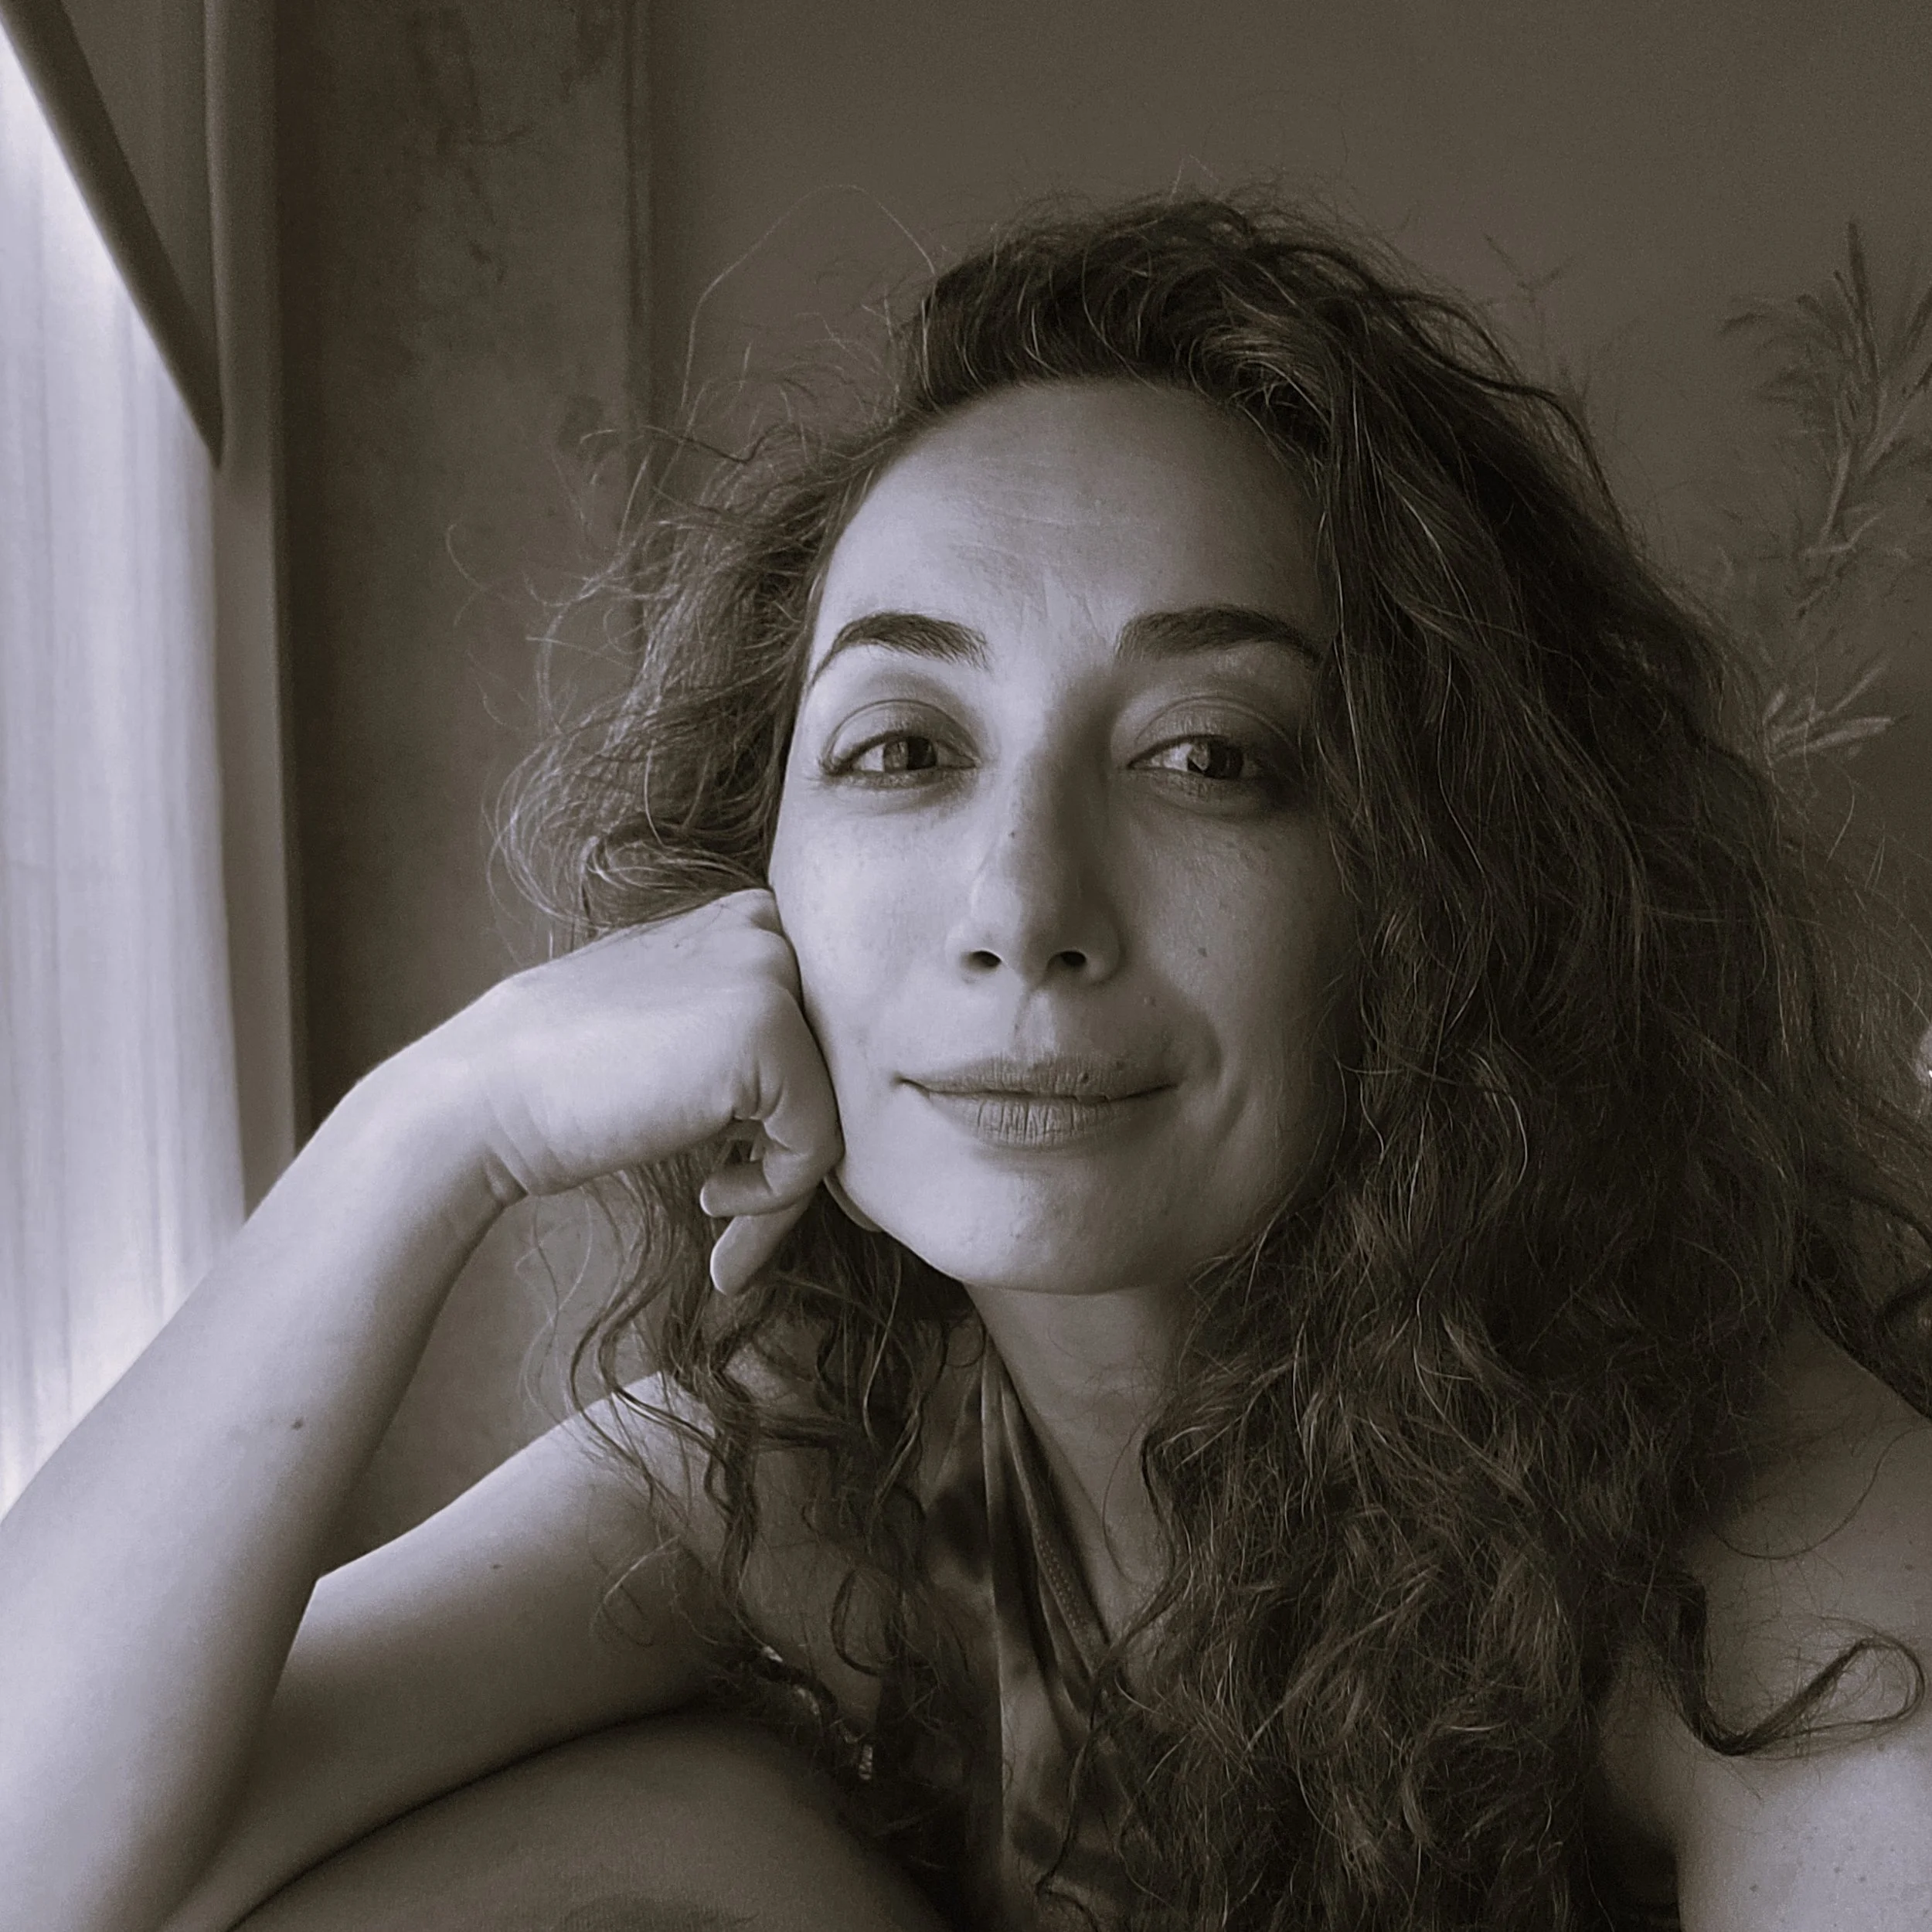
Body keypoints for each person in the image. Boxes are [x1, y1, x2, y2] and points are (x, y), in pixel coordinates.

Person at [5, 193, 1932, 1932]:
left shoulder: (1783, 1560)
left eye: (1209, 755)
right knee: (669, 1834)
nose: (1021, 903)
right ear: (754, 887)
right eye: (903, 751)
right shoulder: (819, 1460)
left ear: (1444, 891)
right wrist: (439, 1117)